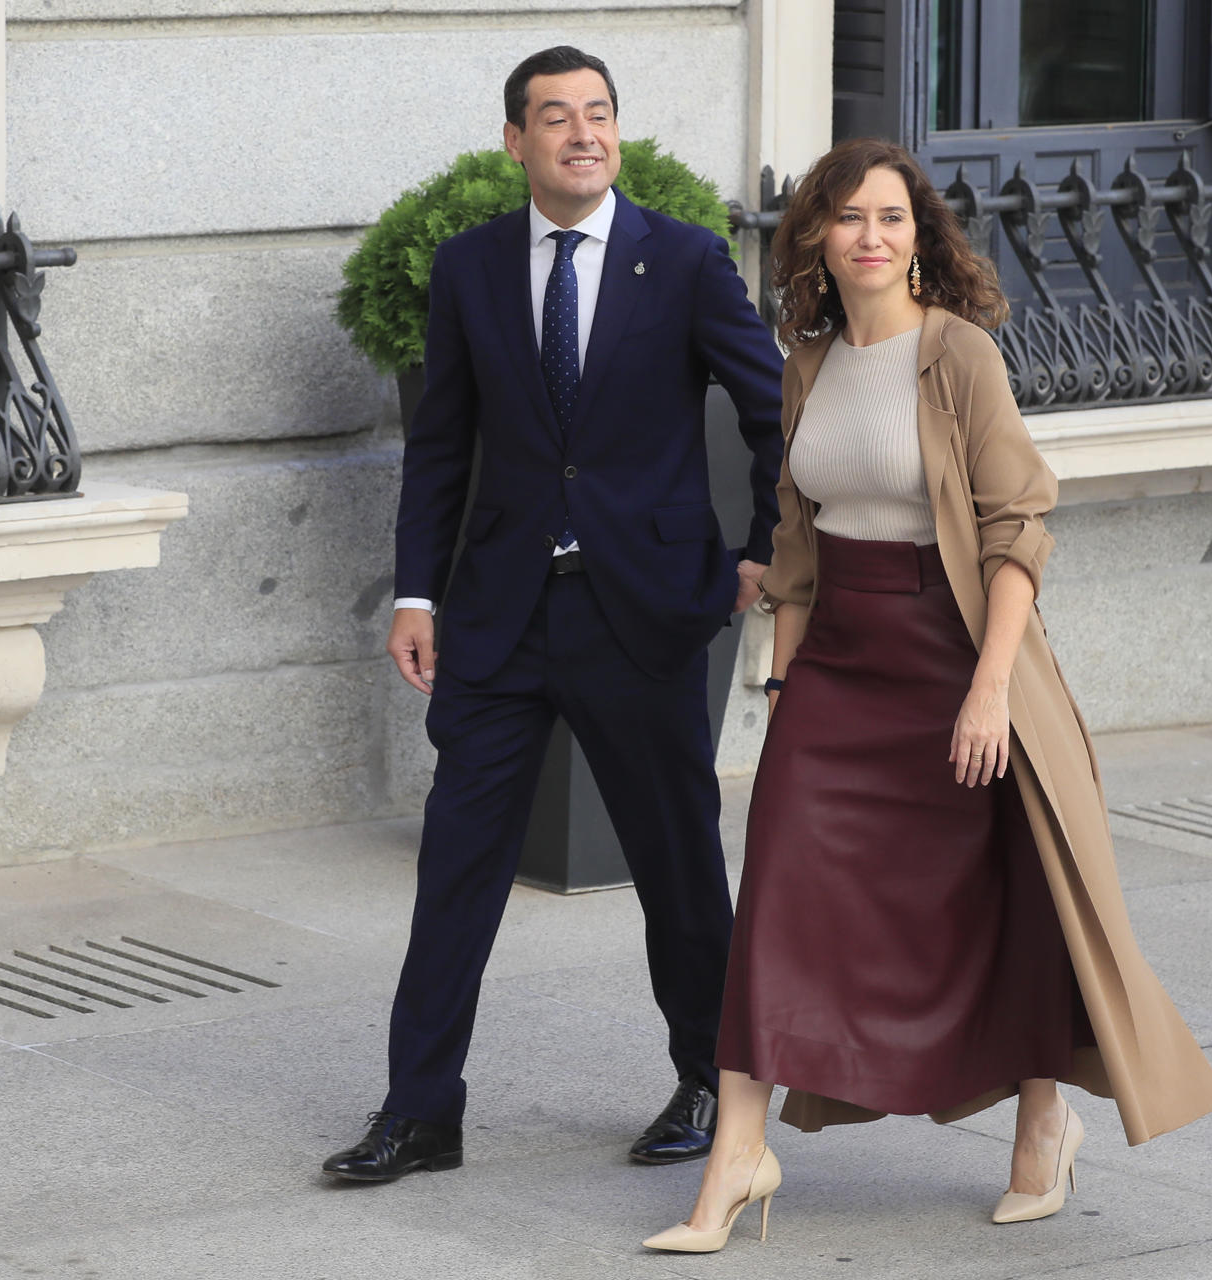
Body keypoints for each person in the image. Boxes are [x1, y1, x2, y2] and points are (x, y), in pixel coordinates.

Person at [642, 138, 1212, 1252]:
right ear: (816, 234)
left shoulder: (958, 355)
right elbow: (799, 534)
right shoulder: (805, 356)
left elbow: (1017, 529)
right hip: (837, 662)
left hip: (958, 648)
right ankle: (736, 1155)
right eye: (849, 216)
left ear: (921, 238)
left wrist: (989, 689)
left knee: (1007, 892)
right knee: (778, 888)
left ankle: (1044, 1120)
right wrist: (782, 676)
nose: (871, 234)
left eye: (893, 217)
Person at [320, 46, 785, 1183]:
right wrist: (417, 591)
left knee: (677, 864)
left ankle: (710, 1084)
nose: (582, 133)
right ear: (516, 143)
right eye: (555, 117)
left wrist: (770, 547)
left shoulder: (680, 259)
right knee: (457, 867)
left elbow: (775, 404)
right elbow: (440, 449)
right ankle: (421, 1108)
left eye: (599, 114)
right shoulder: (469, 266)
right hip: (501, 618)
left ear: (616, 133)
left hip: (645, 613)